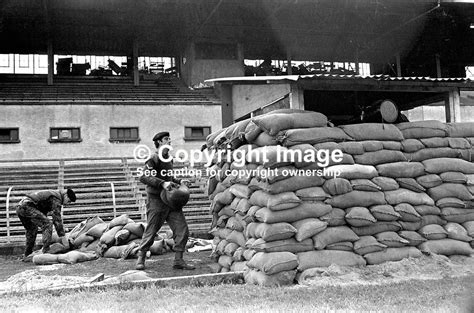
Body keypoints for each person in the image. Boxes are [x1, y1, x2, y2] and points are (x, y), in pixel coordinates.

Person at [135, 131, 195, 270]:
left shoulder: (168, 159)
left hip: (171, 199)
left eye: (169, 138)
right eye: (166, 139)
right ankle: (141, 258)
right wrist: (162, 183)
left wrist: (180, 181)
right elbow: (144, 176)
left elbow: (169, 178)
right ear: (159, 142)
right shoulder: (154, 158)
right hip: (156, 200)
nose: (169, 141)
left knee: (182, 229)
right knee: (151, 230)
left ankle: (178, 260)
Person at [16, 188, 76, 258]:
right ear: (66, 195)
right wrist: (63, 236)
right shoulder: (56, 198)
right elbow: (57, 219)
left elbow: (42, 213)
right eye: (68, 201)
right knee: (47, 224)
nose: (67, 203)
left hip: (20, 207)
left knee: (32, 229)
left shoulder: (52, 194)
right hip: (27, 206)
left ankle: (27, 254)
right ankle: (46, 250)